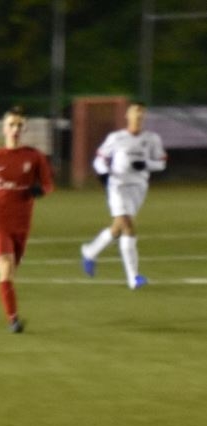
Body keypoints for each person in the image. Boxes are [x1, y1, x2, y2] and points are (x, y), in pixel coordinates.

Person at [0, 106, 54, 333]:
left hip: (21, 224)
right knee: (5, 265)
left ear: (25, 129)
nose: (15, 129)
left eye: (19, 125)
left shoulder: (34, 157)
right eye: (11, 124)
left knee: (11, 269)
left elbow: (48, 184)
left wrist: (40, 191)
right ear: (4, 128)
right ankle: (13, 320)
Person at [79, 101, 167, 289]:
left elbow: (161, 163)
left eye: (141, 113)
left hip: (138, 188)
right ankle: (133, 278)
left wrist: (146, 165)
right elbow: (99, 160)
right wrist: (104, 174)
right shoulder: (116, 137)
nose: (138, 116)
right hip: (117, 185)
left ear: (144, 117)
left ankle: (90, 251)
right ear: (127, 115)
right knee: (127, 225)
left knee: (118, 228)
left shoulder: (152, 138)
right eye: (134, 112)